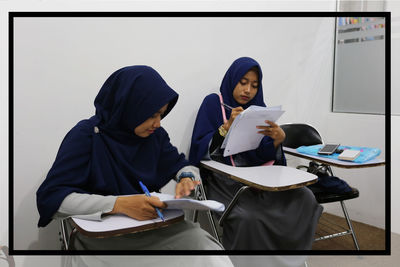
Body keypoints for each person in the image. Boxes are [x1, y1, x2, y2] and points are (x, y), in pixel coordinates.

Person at [36, 65, 228, 253]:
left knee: (203, 244)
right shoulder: (87, 136)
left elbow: (181, 165)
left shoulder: (155, 137)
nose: (158, 123)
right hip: (103, 238)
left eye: (162, 114)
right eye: (152, 115)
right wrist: (118, 205)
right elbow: (52, 198)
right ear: (129, 107)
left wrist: (186, 177)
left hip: (153, 228)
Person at [189, 57, 323, 250]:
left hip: (259, 178)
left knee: (306, 198)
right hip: (225, 182)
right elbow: (199, 148)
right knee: (248, 217)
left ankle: (285, 257)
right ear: (231, 80)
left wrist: (277, 141)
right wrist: (226, 128)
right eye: (243, 83)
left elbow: (261, 155)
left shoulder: (258, 109)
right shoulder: (213, 103)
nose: (248, 90)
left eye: (254, 85)